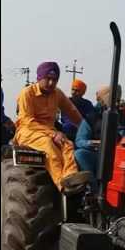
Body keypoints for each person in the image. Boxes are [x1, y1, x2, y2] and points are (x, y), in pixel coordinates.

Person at [14, 61, 91, 194]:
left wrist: (87, 129)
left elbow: (73, 113)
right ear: (39, 78)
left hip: (49, 132)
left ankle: (70, 178)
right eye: (47, 79)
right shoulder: (27, 93)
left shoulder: (57, 93)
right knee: (49, 145)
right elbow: (27, 121)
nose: (51, 83)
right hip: (28, 132)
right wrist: (53, 134)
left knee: (68, 145)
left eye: (54, 80)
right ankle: (62, 185)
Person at [74, 84, 123, 191]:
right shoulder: (91, 118)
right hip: (97, 153)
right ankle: (93, 189)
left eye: (118, 99)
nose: (116, 102)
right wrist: (91, 143)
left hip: (119, 155)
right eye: (113, 99)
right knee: (80, 154)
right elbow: (79, 141)